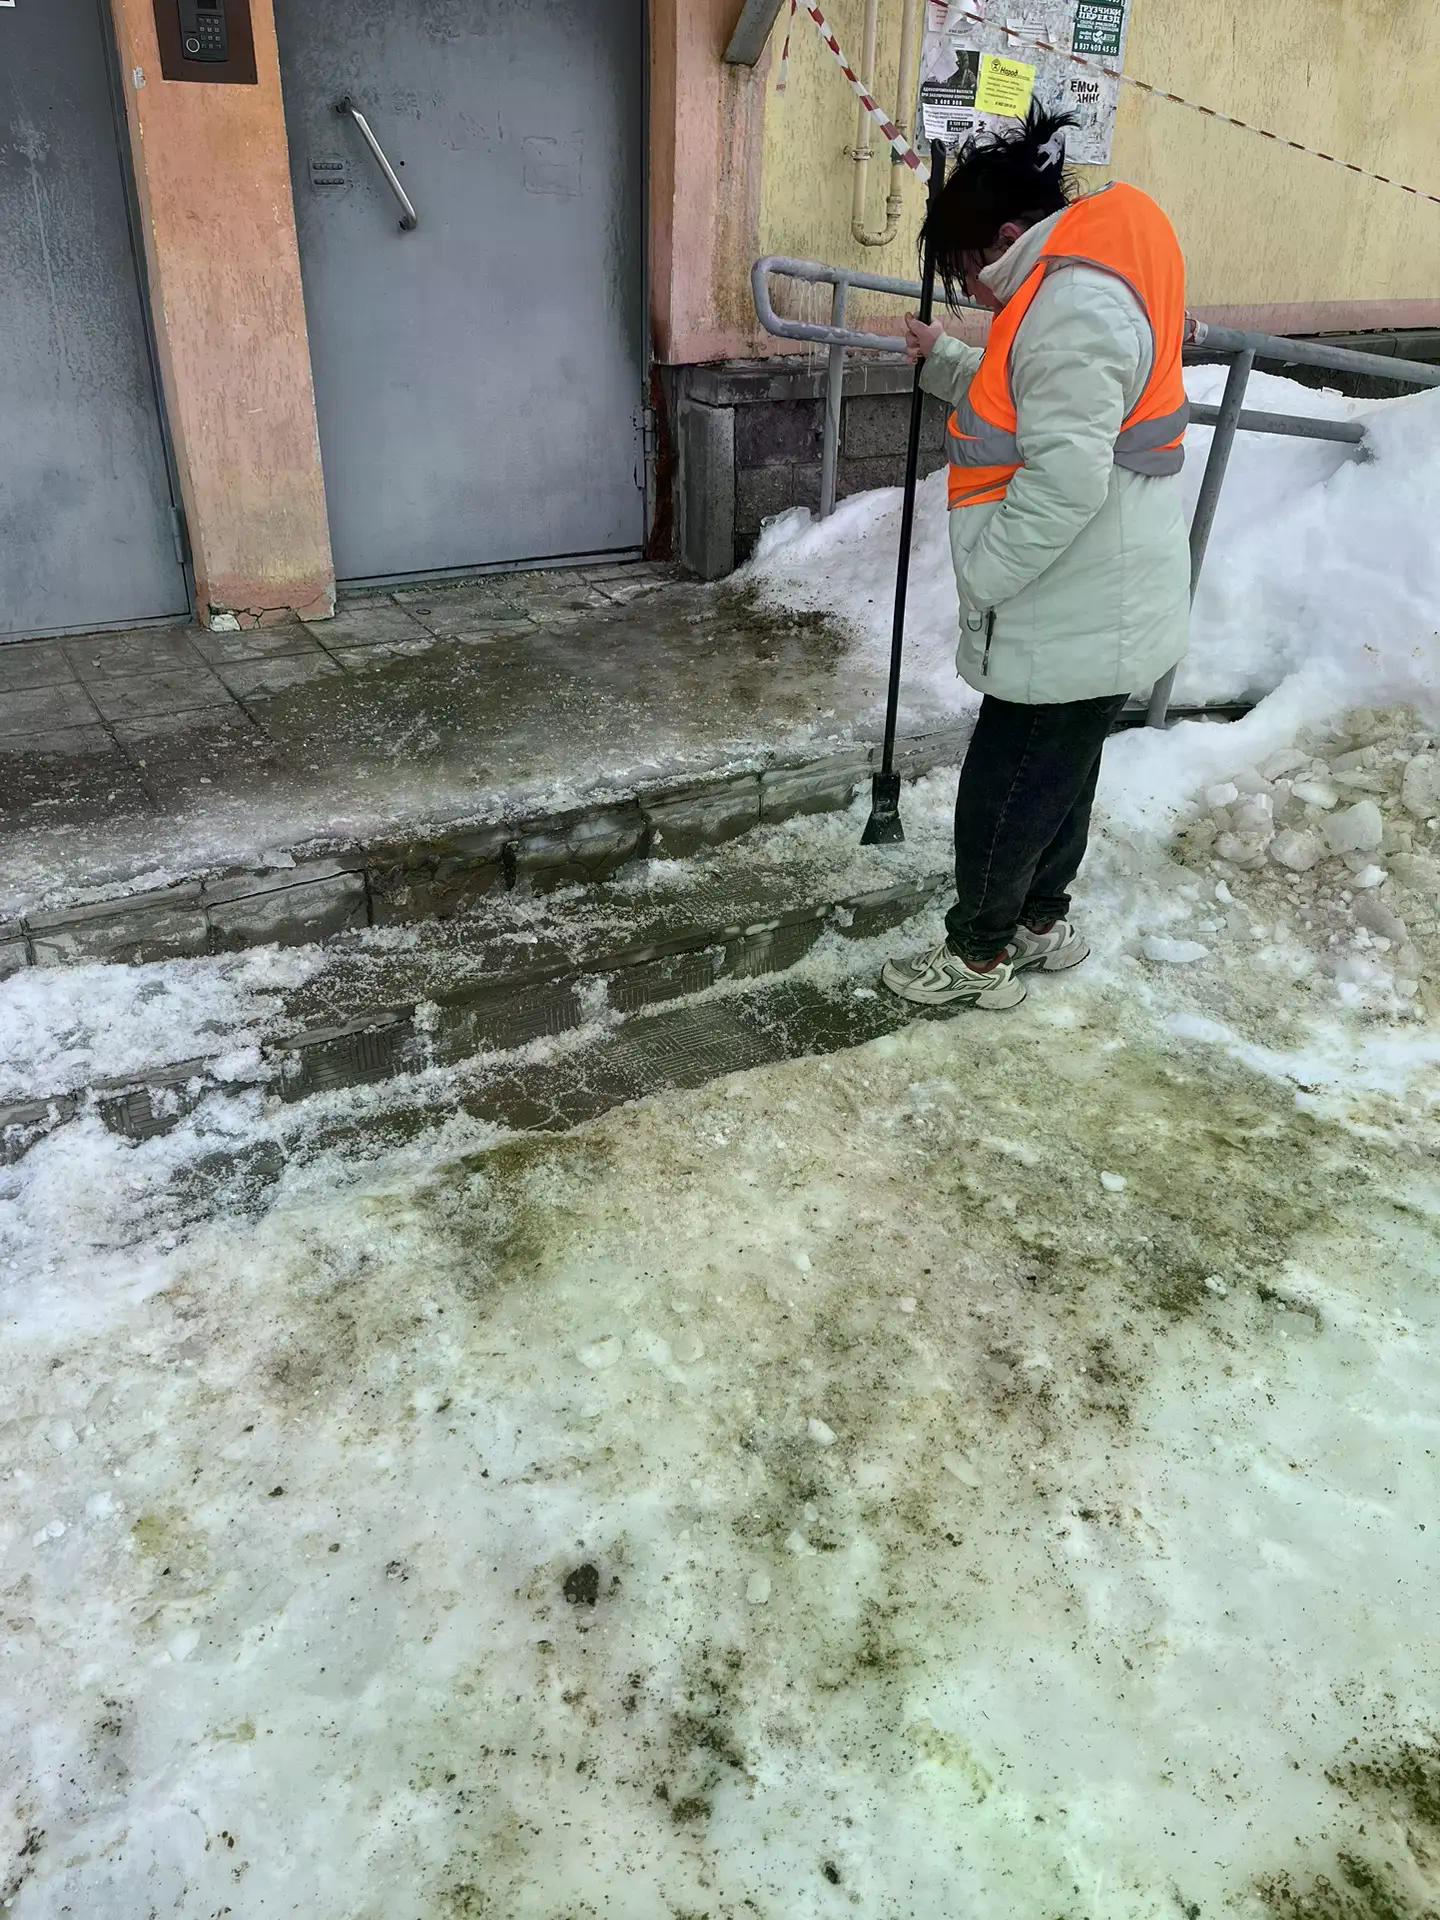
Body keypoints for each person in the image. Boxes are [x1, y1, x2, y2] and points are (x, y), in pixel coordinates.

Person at [882, 104, 1191, 1011]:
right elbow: (1027, 403)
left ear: (1008, 240)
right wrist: (945, 360)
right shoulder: (1080, 283)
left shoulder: (1070, 305)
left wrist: (985, 575)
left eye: (966, 272)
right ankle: (1040, 925)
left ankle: (978, 958)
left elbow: (1064, 477)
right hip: (1096, 588)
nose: (971, 293)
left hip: (1070, 594)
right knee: (1061, 772)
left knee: (1009, 783)